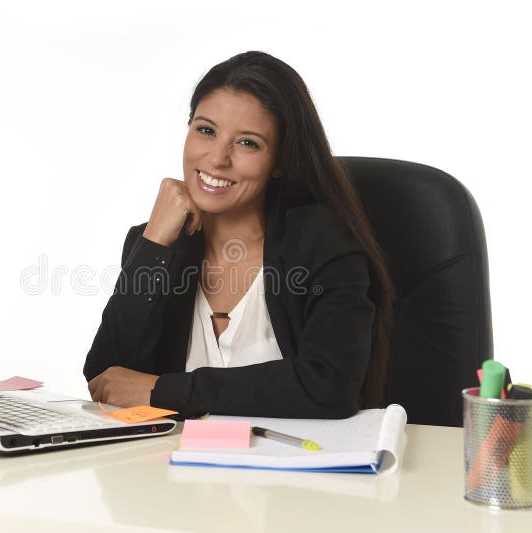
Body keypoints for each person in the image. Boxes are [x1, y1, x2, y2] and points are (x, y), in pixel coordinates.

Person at [84, 51, 393, 419]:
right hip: (173, 473)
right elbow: (106, 379)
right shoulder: (156, 243)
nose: (217, 158)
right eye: (206, 130)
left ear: (279, 162)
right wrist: (153, 245)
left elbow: (330, 385)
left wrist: (160, 390)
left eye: (247, 143)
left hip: (302, 473)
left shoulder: (323, 242)